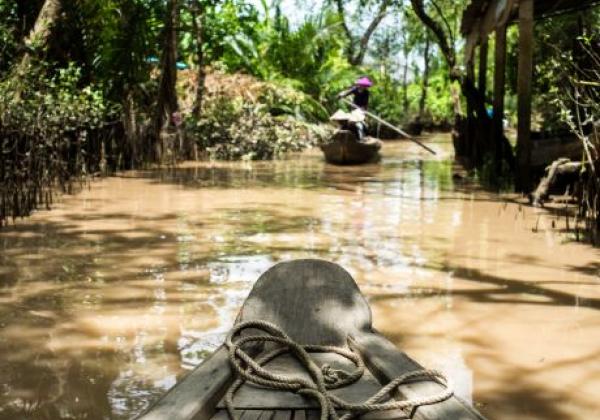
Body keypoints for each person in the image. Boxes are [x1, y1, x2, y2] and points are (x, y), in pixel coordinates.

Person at [337, 77, 373, 141]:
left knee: (360, 124)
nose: (363, 87)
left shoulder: (366, 92)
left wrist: (363, 110)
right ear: (360, 85)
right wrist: (341, 95)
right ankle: (342, 137)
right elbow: (347, 92)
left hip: (361, 110)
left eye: (364, 86)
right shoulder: (355, 89)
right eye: (362, 85)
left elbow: (366, 103)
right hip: (354, 109)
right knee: (350, 122)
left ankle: (361, 138)